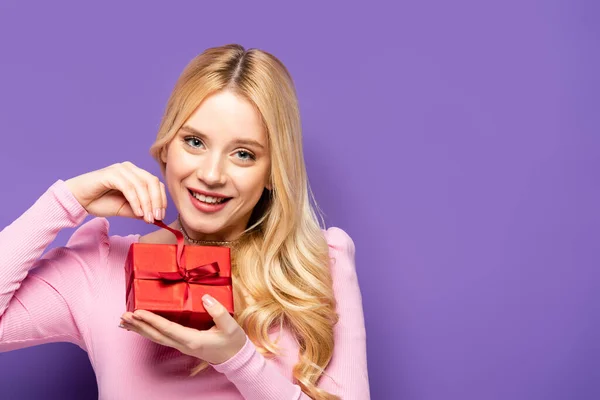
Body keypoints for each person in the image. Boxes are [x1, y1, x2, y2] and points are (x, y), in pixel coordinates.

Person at [0, 44, 369, 399]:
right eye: (194, 142)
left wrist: (237, 359)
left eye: (243, 154)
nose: (211, 174)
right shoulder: (100, 267)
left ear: (273, 171)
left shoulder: (321, 265)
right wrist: (65, 201)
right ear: (166, 147)